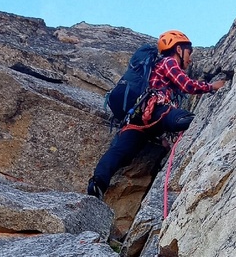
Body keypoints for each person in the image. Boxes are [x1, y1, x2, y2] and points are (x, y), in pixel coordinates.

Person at [87, 30, 227, 197]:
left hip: (135, 120)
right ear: (178, 50)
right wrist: (211, 87)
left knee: (119, 151)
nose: (190, 60)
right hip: (154, 111)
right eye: (189, 53)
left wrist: (162, 139)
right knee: (182, 119)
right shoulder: (168, 62)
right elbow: (187, 85)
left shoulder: (157, 70)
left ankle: (97, 184)